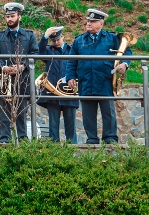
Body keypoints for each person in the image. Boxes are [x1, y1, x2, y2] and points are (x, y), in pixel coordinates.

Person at [65, 8, 131, 144]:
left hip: (105, 80)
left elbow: (127, 52)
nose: (88, 23)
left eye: (93, 21)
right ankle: (92, 139)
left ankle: (110, 138)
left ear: (101, 24)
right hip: (86, 81)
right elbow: (71, 60)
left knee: (108, 112)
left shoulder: (112, 38)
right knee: (88, 114)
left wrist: (124, 64)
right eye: (88, 20)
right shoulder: (79, 41)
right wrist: (70, 76)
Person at [0, 3, 39, 143]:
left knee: (22, 113)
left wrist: (22, 66)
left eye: (12, 16)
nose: (9, 19)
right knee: (4, 112)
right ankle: (5, 139)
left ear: (19, 17)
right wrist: (3, 68)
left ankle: (23, 140)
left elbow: (34, 54)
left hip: (22, 79)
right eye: (7, 16)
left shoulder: (29, 35)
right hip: (4, 79)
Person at [37, 27, 79, 143]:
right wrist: (45, 37)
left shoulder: (72, 50)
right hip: (52, 93)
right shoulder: (48, 50)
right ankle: (54, 148)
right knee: (53, 125)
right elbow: (38, 52)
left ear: (63, 37)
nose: (55, 42)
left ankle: (72, 148)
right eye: (53, 40)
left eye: (57, 39)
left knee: (70, 125)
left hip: (69, 93)